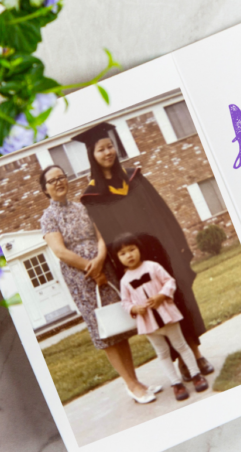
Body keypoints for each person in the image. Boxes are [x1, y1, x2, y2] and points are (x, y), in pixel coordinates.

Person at [74, 123, 214, 378]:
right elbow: (103, 236)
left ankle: (195, 355)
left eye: (110, 147)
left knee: (178, 299)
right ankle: (180, 362)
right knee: (153, 310)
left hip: (163, 252)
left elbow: (162, 211)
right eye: (101, 150)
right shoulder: (91, 197)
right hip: (131, 262)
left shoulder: (134, 178)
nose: (108, 153)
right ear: (91, 157)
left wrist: (178, 245)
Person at [37, 165, 161, 404]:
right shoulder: (48, 217)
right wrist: (91, 269)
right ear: (45, 189)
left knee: (119, 325)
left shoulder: (82, 207)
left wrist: (102, 260)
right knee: (105, 330)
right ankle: (131, 384)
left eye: (61, 177)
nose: (59, 182)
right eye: (52, 181)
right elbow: (60, 252)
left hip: (105, 268)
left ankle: (136, 381)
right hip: (81, 278)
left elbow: (100, 237)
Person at [114, 233, 210, 401]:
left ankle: (196, 375)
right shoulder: (125, 281)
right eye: (123, 253)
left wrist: (161, 295)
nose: (129, 255)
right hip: (148, 323)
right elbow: (125, 302)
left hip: (167, 316)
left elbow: (169, 282)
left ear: (139, 250)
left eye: (132, 250)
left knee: (181, 345)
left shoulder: (152, 267)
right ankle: (176, 384)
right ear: (118, 258)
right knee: (162, 353)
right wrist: (134, 308)